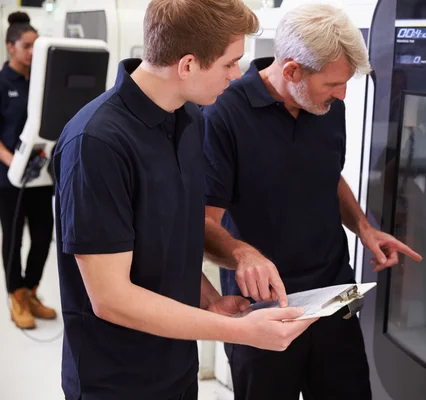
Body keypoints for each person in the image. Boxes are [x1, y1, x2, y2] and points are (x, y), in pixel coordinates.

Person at [52, 1, 316, 399]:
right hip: (114, 380)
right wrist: (239, 332)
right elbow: (111, 299)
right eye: (230, 63)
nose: (238, 75)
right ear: (188, 65)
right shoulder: (96, 143)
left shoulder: (189, 118)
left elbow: (170, 237)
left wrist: (211, 296)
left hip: (176, 366)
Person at [203, 4, 423, 400]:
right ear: (291, 72)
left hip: (333, 296)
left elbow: (326, 173)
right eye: (333, 85)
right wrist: (241, 254)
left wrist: (364, 227)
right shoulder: (223, 113)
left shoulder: (324, 105)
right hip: (265, 310)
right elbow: (203, 222)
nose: (342, 95)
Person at [0, 11, 55, 330]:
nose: (33, 52)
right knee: (13, 239)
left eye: (38, 46)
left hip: (40, 175)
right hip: (9, 178)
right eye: (27, 46)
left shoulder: (40, 82)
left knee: (42, 235)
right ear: (11, 47)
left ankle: (32, 290)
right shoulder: (2, 82)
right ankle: (16, 296)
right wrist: (14, 164)